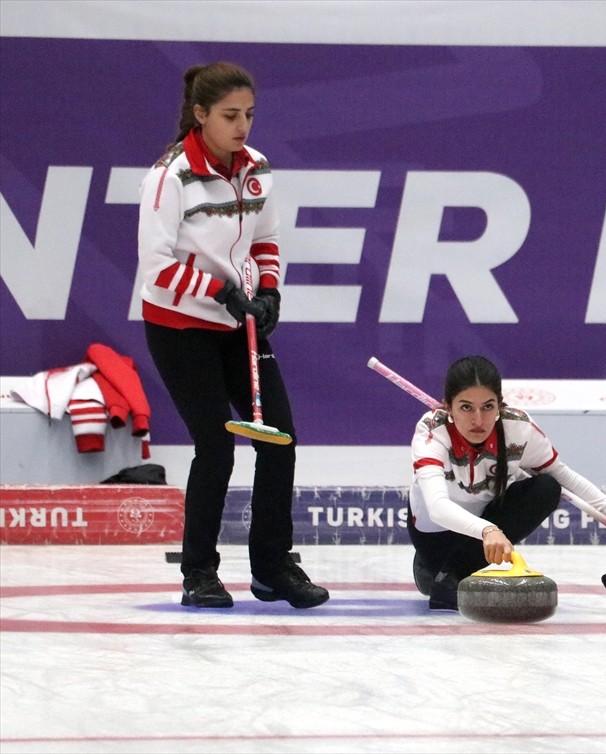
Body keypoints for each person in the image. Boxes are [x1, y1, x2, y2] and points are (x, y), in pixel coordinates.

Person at [138, 62, 329, 610]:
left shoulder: (258, 169)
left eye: (249, 114)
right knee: (216, 446)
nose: (243, 125)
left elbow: (265, 239)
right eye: (230, 115)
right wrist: (220, 291)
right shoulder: (169, 177)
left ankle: (271, 568)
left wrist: (268, 292)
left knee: (279, 438)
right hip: (179, 325)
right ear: (200, 116)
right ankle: (198, 572)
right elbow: (155, 269)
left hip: (238, 323)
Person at [408, 355, 606, 611]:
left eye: (487, 406)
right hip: (436, 538)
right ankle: (437, 572)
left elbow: (563, 476)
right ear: (447, 406)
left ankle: (453, 577)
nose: (478, 420)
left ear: (500, 405)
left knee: (546, 488)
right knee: (443, 545)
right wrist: (488, 531)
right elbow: (437, 507)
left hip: (482, 533)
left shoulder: (518, 429)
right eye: (465, 407)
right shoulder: (431, 433)